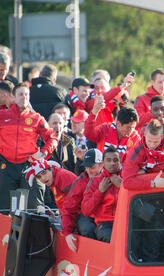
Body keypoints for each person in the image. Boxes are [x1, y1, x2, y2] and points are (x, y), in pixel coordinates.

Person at [0, 83, 58, 212]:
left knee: (34, 207)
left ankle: (34, 231)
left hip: (29, 165)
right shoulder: (3, 116)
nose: (24, 97)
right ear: (14, 97)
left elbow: (52, 138)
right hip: (6, 165)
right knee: (3, 208)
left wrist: (42, 153)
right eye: (20, 94)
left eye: (26, 94)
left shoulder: (36, 118)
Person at [62, 149, 103, 252]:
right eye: (86, 167)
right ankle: (91, 255)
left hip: (107, 215)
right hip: (87, 215)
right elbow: (68, 208)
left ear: (101, 165)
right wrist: (67, 233)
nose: (89, 170)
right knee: (86, 227)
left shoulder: (110, 176)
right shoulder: (81, 182)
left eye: (92, 167)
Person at [81, 146, 122, 243]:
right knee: (111, 238)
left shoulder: (126, 179)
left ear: (120, 162)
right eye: (108, 160)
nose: (112, 163)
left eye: (115, 160)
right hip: (105, 224)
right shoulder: (95, 182)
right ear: (103, 163)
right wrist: (100, 191)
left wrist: (123, 187)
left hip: (125, 221)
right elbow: (86, 210)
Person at [122, 119, 164, 190]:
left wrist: (147, 170)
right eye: (149, 141)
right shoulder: (136, 151)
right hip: (144, 192)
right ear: (145, 135)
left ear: (162, 136)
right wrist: (153, 183)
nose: (152, 145)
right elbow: (127, 182)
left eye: (156, 141)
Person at [85, 98, 141, 162]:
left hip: (124, 170)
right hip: (102, 169)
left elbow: (136, 160)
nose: (131, 131)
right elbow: (88, 134)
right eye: (128, 128)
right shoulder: (105, 129)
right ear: (118, 124)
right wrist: (94, 113)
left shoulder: (135, 137)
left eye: (133, 127)